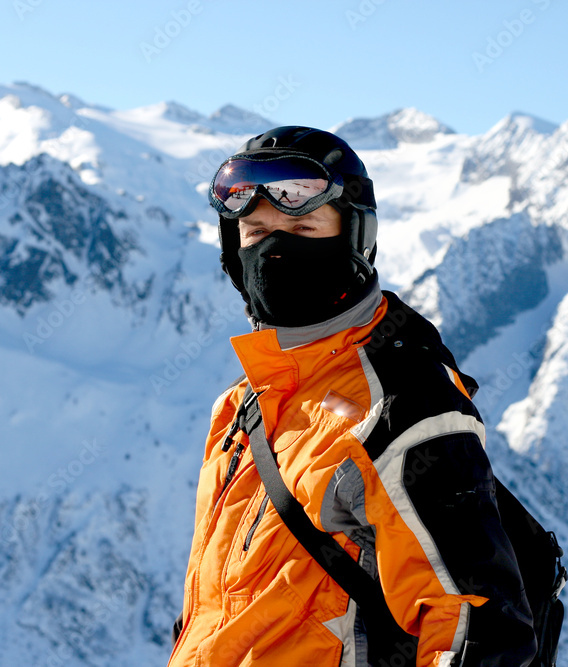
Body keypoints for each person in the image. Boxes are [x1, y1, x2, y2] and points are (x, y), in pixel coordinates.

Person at [168, 126, 537, 667]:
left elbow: (480, 630)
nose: (272, 249)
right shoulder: (243, 405)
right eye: (255, 229)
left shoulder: (401, 409)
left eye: (301, 225)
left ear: (352, 237)